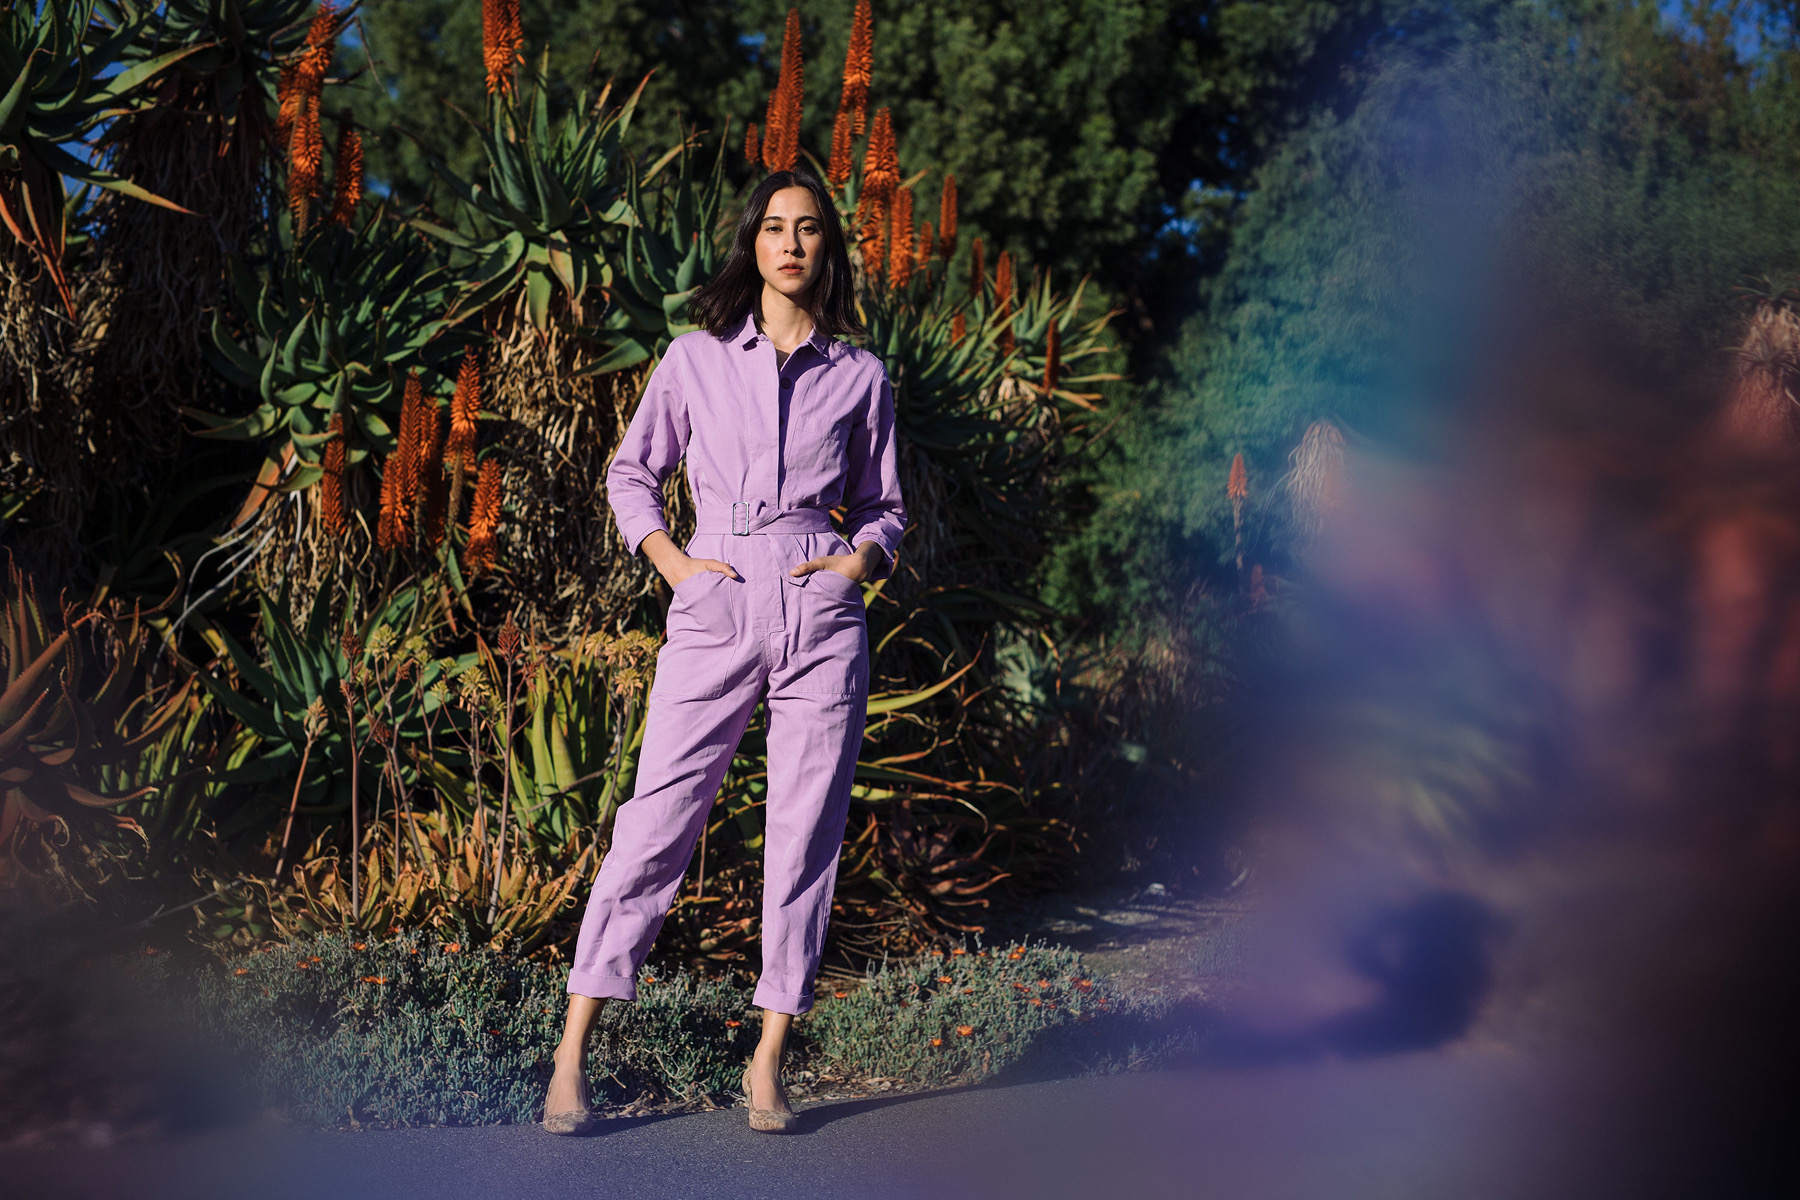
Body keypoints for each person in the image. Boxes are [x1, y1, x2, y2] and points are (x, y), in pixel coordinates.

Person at [540, 169, 907, 1136]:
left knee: (805, 834)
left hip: (820, 611)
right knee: (655, 820)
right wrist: (676, 565)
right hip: (718, 597)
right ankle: (572, 1053)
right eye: (774, 227)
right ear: (752, 243)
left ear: (827, 248)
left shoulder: (860, 374)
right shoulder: (694, 358)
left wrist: (856, 564)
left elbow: (885, 506)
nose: (791, 243)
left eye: (809, 228)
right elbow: (632, 472)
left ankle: (769, 1059)